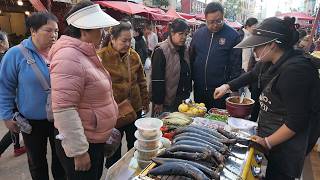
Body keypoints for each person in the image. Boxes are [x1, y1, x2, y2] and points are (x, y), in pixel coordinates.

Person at [214, 17, 320, 180]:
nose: (254, 50)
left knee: (279, 174)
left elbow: (297, 120)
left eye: (257, 45)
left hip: (288, 143)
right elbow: (252, 74)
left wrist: (268, 142)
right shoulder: (269, 61)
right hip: (272, 131)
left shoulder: (295, 72)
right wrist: (227, 86)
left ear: (272, 44)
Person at [49, 2, 119, 180]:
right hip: (83, 144)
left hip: (93, 140)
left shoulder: (85, 53)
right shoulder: (69, 57)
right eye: (99, 28)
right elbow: (64, 109)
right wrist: (79, 152)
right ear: (84, 30)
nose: (103, 32)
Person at [0, 12, 65, 180]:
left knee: (61, 159)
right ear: (33, 31)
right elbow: (5, 87)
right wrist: (6, 116)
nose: (54, 35)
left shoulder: (60, 52)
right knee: (37, 162)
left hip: (60, 117)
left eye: (56, 31)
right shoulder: (15, 54)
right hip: (32, 122)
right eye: (48, 31)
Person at [98, 21, 149, 168]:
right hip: (112, 112)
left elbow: (142, 80)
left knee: (134, 145)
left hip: (134, 108)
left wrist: (145, 101)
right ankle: (114, 174)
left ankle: (133, 172)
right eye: (124, 40)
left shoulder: (134, 56)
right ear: (113, 39)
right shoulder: (101, 57)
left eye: (130, 40)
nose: (128, 44)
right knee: (113, 149)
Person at [190, 2, 242, 109]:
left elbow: (236, 66)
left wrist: (233, 89)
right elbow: (192, 58)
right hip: (199, 88)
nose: (215, 25)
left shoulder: (233, 36)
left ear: (223, 16)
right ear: (205, 18)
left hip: (220, 91)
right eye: (211, 22)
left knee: (218, 122)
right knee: (199, 120)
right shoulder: (198, 34)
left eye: (219, 21)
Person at [151, 19, 192, 115]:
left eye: (186, 34)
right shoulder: (161, 51)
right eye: (180, 34)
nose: (184, 37)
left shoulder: (186, 50)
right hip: (166, 102)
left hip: (182, 101)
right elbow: (157, 79)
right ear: (172, 33)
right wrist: (158, 102)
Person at [0, 31, 27, 158]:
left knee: (16, 120)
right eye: (6, 40)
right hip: (10, 96)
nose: (8, 43)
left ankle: (17, 147)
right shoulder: (5, 57)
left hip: (7, 96)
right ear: (1, 43)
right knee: (15, 121)